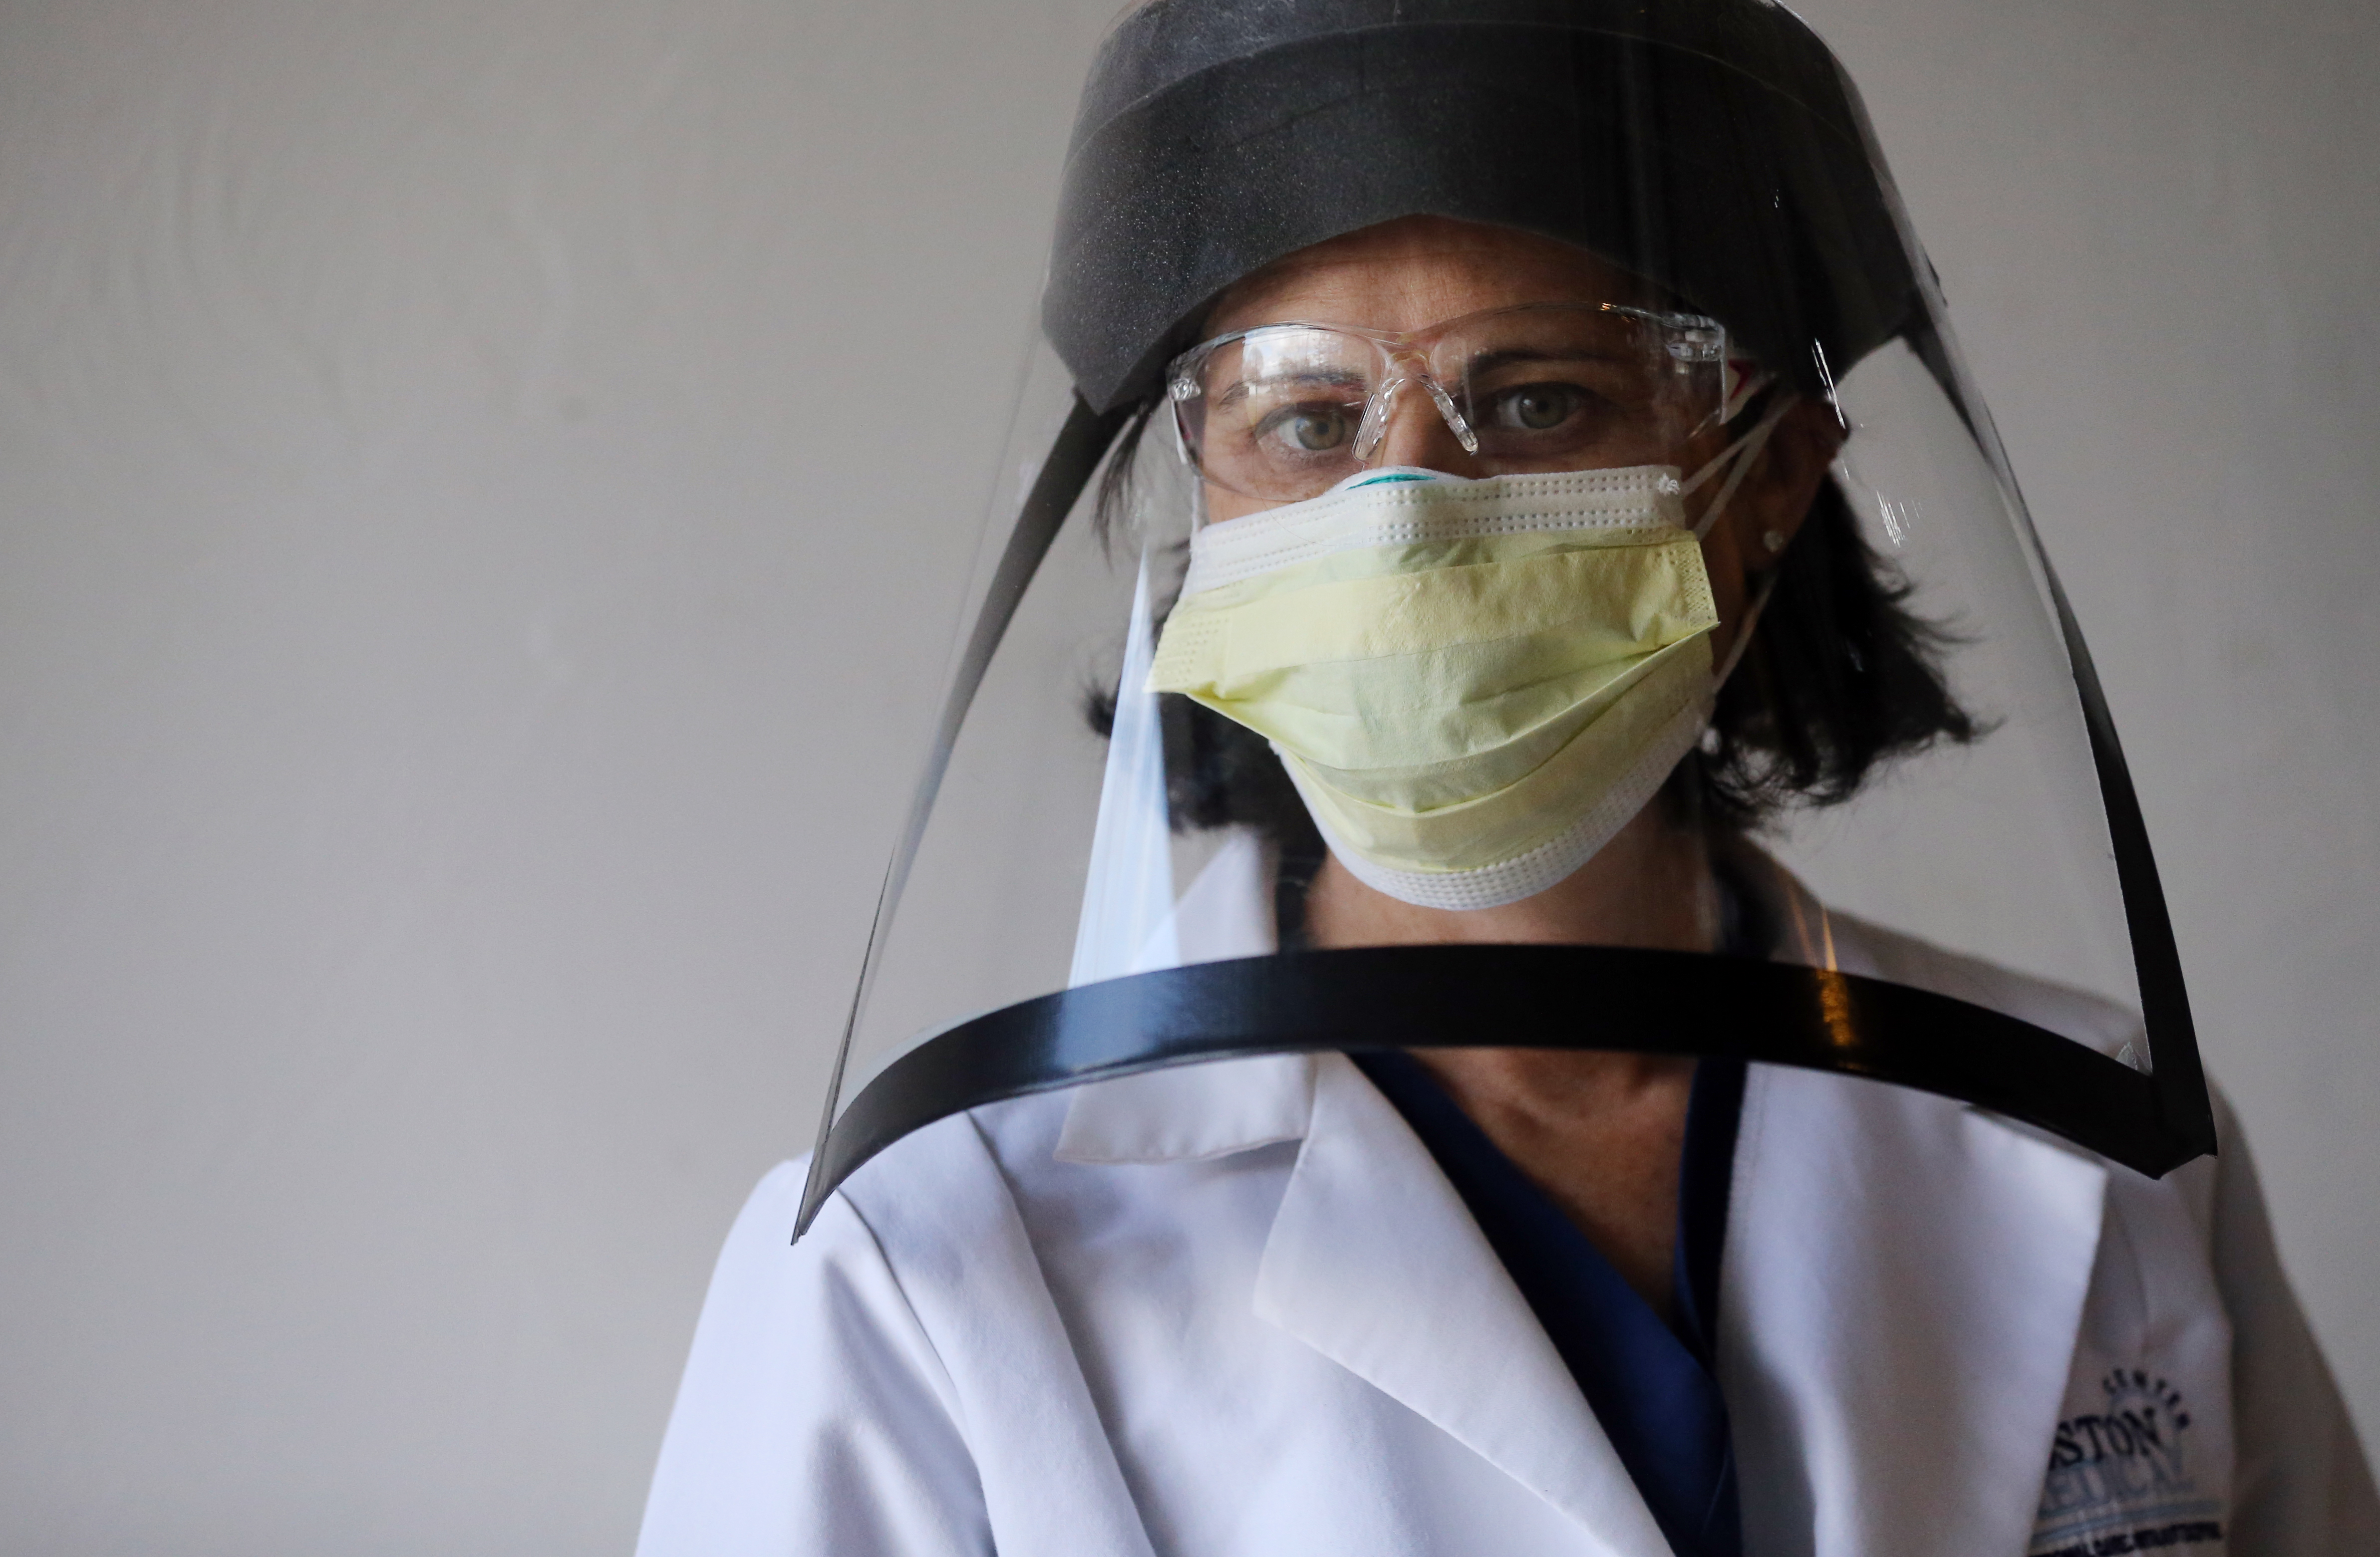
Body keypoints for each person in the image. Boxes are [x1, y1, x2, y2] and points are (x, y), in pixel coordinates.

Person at [637, 3, 2378, 1554]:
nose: (1406, 520)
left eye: (1535, 404)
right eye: (1308, 424)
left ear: (1772, 472)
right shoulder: (924, 1257)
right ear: (1194, 496)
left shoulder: (2106, 1138)